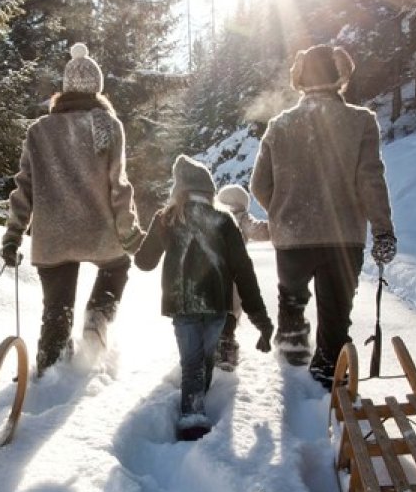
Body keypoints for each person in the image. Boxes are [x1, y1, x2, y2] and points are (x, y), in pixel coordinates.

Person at [249, 44, 396, 390]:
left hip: (291, 237)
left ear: (299, 79)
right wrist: (383, 231)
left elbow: (259, 183)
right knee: (335, 319)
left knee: (292, 301)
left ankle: (291, 363)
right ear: (340, 76)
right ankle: (328, 381)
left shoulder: (279, 125)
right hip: (343, 237)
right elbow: (370, 180)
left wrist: (282, 210)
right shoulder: (361, 122)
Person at [1, 43, 145, 376]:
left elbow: (24, 188)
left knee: (56, 311)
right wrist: (129, 232)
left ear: (65, 89)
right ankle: (98, 316)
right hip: (99, 232)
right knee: (117, 267)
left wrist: (13, 235)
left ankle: (50, 372)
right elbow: (119, 186)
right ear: (97, 87)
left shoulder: (38, 130)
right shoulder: (108, 125)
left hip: (53, 237)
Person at [135, 155, 273, 439]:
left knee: (191, 363)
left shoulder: (166, 218)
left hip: (182, 304)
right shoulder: (223, 220)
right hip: (217, 307)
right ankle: (194, 410)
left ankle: (192, 417)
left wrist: (140, 238)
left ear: (180, 189)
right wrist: (260, 318)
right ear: (209, 190)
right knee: (203, 360)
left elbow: (144, 262)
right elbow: (243, 271)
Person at [215, 183, 270, 370]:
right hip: (235, 272)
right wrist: (277, 226)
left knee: (214, 309)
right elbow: (258, 231)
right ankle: (226, 345)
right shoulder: (243, 218)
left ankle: (211, 344)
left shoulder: (213, 214)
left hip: (211, 271)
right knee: (231, 308)